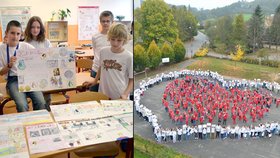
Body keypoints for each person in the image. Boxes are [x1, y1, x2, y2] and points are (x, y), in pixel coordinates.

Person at [0, 20, 46, 112]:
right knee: (22, 105)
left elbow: (40, 57)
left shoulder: (26, 46)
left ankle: (37, 123)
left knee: (41, 102)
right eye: (12, 33)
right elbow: (1, 72)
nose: (15, 36)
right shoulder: (1, 49)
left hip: (29, 78)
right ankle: (25, 124)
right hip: (13, 80)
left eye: (18, 34)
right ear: (6, 33)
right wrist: (9, 65)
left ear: (21, 35)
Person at [83, 23, 133, 100]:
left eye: (119, 40)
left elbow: (131, 79)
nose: (115, 43)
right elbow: (101, 67)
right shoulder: (103, 51)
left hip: (120, 95)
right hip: (103, 94)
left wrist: (125, 94)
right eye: (112, 39)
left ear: (125, 40)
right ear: (109, 37)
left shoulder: (128, 56)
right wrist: (95, 81)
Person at [24, 16, 52, 110]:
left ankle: (47, 119)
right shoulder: (25, 42)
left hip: (45, 75)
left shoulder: (46, 42)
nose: (35, 30)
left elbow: (51, 57)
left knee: (47, 100)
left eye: (38, 27)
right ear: (29, 28)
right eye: (32, 27)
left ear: (41, 28)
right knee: (38, 101)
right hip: (31, 77)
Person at [90, 10, 114, 92]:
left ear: (112, 22)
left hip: (109, 72)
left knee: (106, 97)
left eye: (108, 21)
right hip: (96, 69)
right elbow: (95, 52)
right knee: (93, 96)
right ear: (100, 22)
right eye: (103, 21)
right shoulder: (95, 37)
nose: (105, 23)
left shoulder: (115, 38)